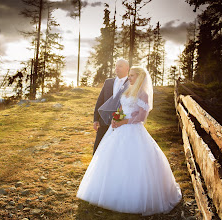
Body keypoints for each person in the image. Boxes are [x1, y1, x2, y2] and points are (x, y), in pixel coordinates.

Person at [77, 66, 182, 215]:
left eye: (132, 75)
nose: (129, 78)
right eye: (130, 75)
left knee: (132, 162)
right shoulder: (127, 90)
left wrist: (123, 122)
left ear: (139, 77)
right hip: (118, 129)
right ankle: (109, 191)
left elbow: (141, 117)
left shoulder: (143, 94)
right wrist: (116, 118)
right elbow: (121, 107)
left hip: (132, 130)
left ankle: (128, 196)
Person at [93, 58, 129, 155]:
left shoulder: (131, 83)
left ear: (127, 68)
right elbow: (100, 101)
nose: (117, 68)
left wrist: (120, 119)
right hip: (104, 121)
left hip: (121, 123)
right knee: (97, 149)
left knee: (116, 151)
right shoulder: (108, 82)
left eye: (120, 66)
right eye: (116, 66)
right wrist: (96, 119)